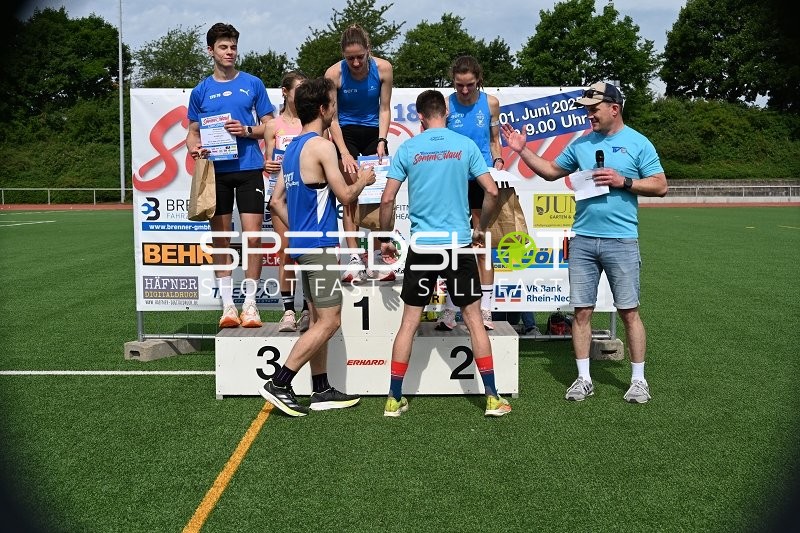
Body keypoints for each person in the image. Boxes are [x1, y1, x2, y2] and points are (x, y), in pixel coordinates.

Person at [501, 81, 668, 404]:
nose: (589, 115)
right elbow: (550, 171)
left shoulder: (638, 143)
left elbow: (661, 186)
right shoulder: (582, 144)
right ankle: (583, 378)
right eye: (587, 110)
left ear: (614, 109)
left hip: (621, 240)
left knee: (629, 312)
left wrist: (625, 181)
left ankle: (638, 380)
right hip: (583, 240)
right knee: (581, 312)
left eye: (594, 109)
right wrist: (522, 149)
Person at [377, 89, 510, 418]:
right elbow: (492, 190)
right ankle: (492, 397)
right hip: (458, 244)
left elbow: (386, 200)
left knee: (408, 323)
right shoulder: (464, 145)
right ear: (446, 114)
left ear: (420, 116)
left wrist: (384, 238)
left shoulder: (409, 147)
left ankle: (394, 398)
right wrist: (482, 228)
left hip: (423, 245)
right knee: (475, 321)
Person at [261, 77, 377, 417]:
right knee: (330, 321)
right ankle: (280, 382)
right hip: (321, 247)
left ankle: (322, 388)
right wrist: (364, 180)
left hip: (302, 245)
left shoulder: (293, 147)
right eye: (334, 106)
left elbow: (275, 202)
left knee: (316, 319)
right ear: (323, 109)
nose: (335, 112)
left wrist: (300, 228)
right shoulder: (322, 147)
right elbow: (346, 196)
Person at [186, 22, 275, 329]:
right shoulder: (201, 90)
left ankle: (250, 305)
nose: (230, 52)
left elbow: (269, 126)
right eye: (223, 47)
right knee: (221, 240)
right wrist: (195, 149)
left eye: (233, 47)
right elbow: (192, 132)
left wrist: (247, 130)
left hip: (249, 168)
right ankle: (227, 307)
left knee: (252, 238)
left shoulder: (253, 83)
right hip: (217, 173)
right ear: (211, 51)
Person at [438, 55, 504, 332]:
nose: (464, 91)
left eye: (470, 85)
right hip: (453, 181)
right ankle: (451, 311)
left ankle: (486, 309)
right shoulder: (445, 104)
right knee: (454, 247)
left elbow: (494, 140)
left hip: (481, 178)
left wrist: (499, 163)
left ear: (479, 81)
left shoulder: (490, 103)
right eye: (459, 85)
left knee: (481, 245)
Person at [324, 24, 395, 283]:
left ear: (368, 51)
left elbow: (384, 108)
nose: (355, 62)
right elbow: (331, 116)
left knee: (376, 195)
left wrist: (382, 139)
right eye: (349, 57)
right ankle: (354, 257)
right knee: (350, 195)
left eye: (359, 56)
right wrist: (343, 152)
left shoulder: (384, 68)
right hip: (346, 133)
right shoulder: (334, 74)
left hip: (374, 132)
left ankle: (375, 256)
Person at [264, 71, 311, 333]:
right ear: (285, 91)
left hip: (305, 195)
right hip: (280, 194)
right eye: (298, 89)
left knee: (308, 253)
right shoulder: (273, 126)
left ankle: (307, 310)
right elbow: (269, 162)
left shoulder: (312, 122)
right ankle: (288, 311)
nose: (303, 93)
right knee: (286, 253)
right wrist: (268, 164)